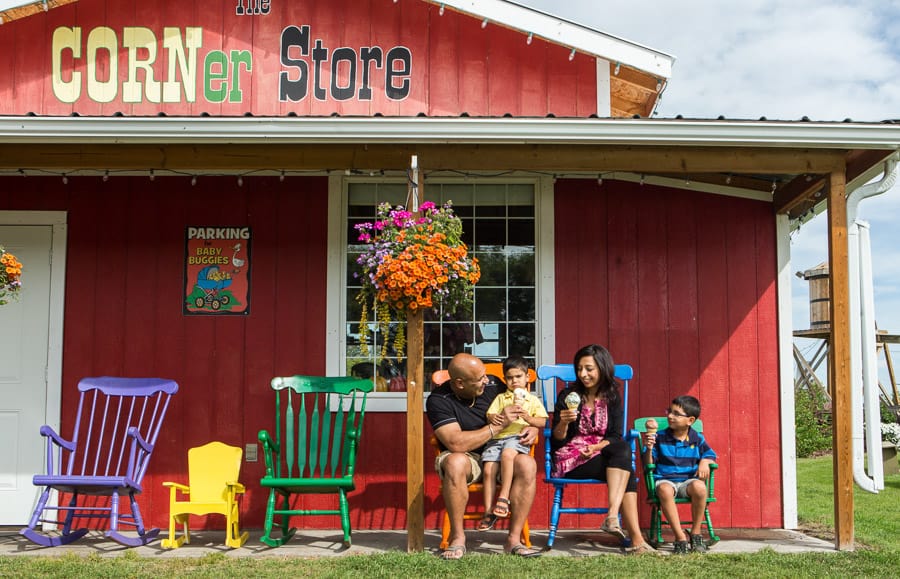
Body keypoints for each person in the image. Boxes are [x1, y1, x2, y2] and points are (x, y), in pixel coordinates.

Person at [426, 353, 541, 560]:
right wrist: (497, 426)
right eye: (480, 379)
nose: (487, 381)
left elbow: (525, 406)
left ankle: (514, 540)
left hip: (503, 453)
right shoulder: (438, 401)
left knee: (527, 464)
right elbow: (455, 443)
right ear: (460, 383)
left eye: (485, 375)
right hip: (468, 457)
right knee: (454, 462)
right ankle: (458, 538)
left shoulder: (493, 385)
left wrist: (533, 427)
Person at [550, 344, 658, 555]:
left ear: (602, 367)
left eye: (589, 368)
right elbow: (557, 441)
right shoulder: (568, 395)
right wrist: (563, 423)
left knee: (621, 449)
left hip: (601, 454)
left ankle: (614, 520)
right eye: (579, 368)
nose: (583, 374)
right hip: (571, 458)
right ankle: (631, 536)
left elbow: (615, 436)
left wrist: (595, 447)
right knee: (627, 472)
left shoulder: (612, 396)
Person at [478, 357, 548, 531]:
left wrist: (528, 418)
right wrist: (495, 416)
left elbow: (542, 422)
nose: (514, 381)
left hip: (517, 438)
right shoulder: (502, 398)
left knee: (508, 454)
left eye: (518, 376)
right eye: (509, 378)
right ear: (505, 380)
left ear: (527, 378)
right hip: (497, 438)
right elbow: (490, 415)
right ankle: (488, 512)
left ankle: (503, 497)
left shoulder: (532, 400)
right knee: (488, 470)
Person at [642, 395, 717, 554]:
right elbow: (649, 463)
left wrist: (704, 462)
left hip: (686, 482)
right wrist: (648, 448)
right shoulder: (660, 437)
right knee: (664, 490)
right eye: (669, 411)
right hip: (665, 480)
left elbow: (710, 454)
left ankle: (695, 533)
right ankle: (680, 537)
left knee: (700, 487)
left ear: (690, 420)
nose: (669, 415)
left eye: (676, 413)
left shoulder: (697, 438)